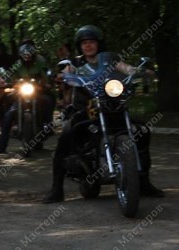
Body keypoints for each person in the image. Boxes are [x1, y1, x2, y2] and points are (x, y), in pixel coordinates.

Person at [43, 24, 164, 203]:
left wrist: (142, 72)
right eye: (84, 42)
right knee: (65, 139)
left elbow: (128, 69)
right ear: (80, 46)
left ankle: (143, 181)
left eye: (92, 41)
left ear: (99, 43)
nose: (88, 45)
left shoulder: (111, 60)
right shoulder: (75, 63)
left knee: (141, 131)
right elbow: (65, 72)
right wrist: (62, 75)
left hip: (112, 106)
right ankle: (56, 190)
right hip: (85, 110)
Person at [0, 40, 55, 154]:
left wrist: (45, 83)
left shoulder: (40, 61)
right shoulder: (17, 64)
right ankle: (1, 146)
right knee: (8, 114)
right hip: (22, 92)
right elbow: (11, 78)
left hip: (38, 91)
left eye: (29, 55)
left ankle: (48, 125)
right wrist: (7, 83)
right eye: (24, 55)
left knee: (49, 100)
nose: (27, 57)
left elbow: (46, 75)